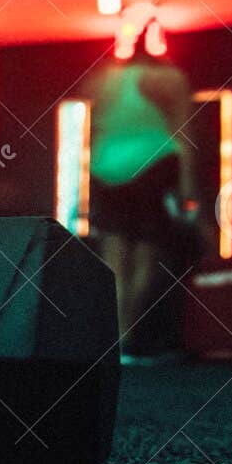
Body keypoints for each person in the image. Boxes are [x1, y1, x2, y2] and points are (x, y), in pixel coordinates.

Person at [81, 40, 197, 360]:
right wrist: (188, 188)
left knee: (114, 260)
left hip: (106, 168)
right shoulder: (170, 79)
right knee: (147, 255)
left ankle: (116, 338)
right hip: (153, 165)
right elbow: (183, 132)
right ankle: (130, 333)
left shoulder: (103, 80)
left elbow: (94, 126)